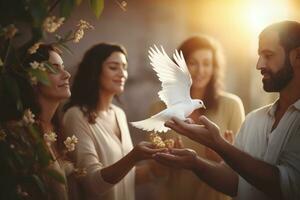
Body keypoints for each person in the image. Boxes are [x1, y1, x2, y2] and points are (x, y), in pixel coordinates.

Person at [154, 20, 300, 200]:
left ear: (297, 56)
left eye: (268, 55)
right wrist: (194, 162)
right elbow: (236, 182)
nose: (259, 65)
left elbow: (287, 186)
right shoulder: (254, 120)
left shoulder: (231, 105)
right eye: (259, 55)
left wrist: (219, 145)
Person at [62, 43, 166, 200]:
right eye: (113, 67)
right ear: (95, 71)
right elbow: (93, 184)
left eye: (124, 67)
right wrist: (134, 156)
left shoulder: (119, 114)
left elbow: (127, 178)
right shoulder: (75, 116)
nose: (122, 73)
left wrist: (160, 164)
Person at [149, 35, 245, 200]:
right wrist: (167, 159)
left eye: (207, 64)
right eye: (193, 63)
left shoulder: (231, 105)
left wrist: (223, 158)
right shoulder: (159, 109)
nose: (200, 71)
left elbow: (243, 171)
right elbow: (156, 172)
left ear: (215, 68)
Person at [18, 44, 71, 199]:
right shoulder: (22, 133)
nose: (67, 74)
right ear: (33, 78)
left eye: (63, 67)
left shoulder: (59, 129)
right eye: (54, 69)